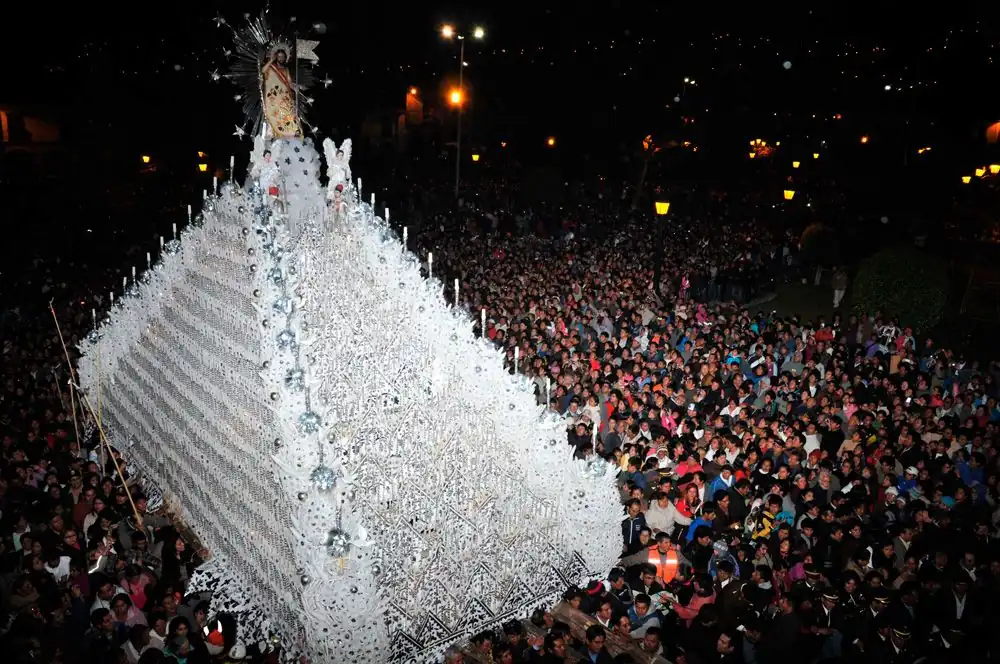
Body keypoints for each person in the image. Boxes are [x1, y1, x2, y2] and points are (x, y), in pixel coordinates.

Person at [261, 47, 302, 138]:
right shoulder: (271, 67)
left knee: (288, 114)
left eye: (282, 57)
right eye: (279, 57)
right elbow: (263, 71)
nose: (281, 59)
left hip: (285, 96)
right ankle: (273, 132)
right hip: (274, 97)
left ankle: (290, 133)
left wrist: (295, 88)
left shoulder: (286, 69)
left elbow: (289, 83)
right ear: (276, 57)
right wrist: (271, 60)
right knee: (274, 115)